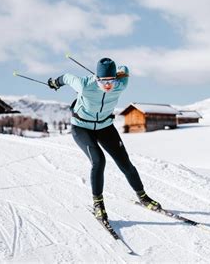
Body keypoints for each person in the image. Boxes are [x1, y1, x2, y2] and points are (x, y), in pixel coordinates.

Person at [47, 58, 161, 221]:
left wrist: (118, 72)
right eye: (103, 81)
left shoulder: (121, 84)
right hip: (82, 127)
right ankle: (98, 204)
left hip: (105, 126)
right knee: (99, 160)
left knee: (125, 163)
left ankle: (143, 197)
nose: (108, 85)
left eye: (111, 80)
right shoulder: (84, 85)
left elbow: (125, 68)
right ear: (96, 78)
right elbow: (66, 77)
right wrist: (55, 83)